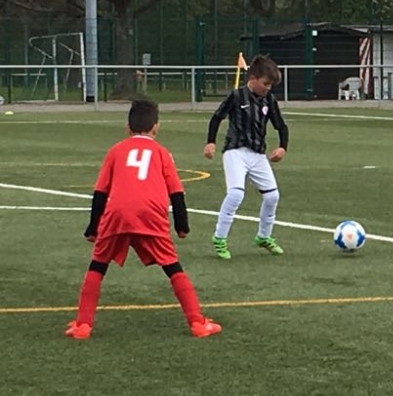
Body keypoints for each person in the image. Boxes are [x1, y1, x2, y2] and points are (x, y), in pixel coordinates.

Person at [65, 99, 221, 340]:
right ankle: (197, 323)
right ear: (156, 127)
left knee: (97, 265)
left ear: (127, 128)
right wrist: (182, 225)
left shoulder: (116, 151)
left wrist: (92, 227)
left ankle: (83, 325)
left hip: (117, 214)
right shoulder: (162, 153)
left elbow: (100, 192)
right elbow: (176, 192)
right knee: (172, 267)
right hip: (151, 214)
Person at [204, 54, 289, 259]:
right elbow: (217, 117)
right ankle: (219, 238)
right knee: (236, 194)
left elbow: (281, 126)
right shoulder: (236, 96)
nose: (268, 88)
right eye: (265, 83)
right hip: (235, 151)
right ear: (252, 78)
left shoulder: (269, 100)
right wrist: (211, 141)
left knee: (272, 196)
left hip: (257, 154)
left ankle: (263, 236)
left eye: (270, 85)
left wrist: (282, 147)